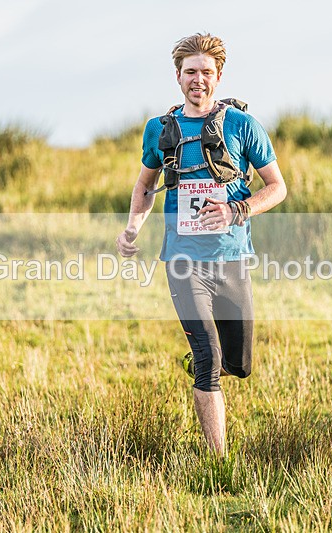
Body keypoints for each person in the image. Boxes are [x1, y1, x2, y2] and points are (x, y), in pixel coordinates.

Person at [115, 33, 286, 455]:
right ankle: (218, 461)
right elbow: (144, 185)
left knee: (240, 365)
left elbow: (277, 187)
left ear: (218, 76)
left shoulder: (244, 126)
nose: (198, 80)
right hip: (182, 262)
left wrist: (235, 210)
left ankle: (204, 364)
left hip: (232, 260)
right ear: (178, 77)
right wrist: (132, 228)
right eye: (190, 72)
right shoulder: (159, 130)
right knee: (209, 358)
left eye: (206, 72)